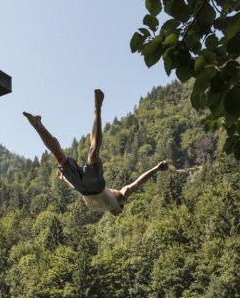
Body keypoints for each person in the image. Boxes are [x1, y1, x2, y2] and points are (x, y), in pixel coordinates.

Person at [24, 89, 168, 215]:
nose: (118, 214)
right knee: (93, 152)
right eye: (120, 212)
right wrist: (156, 169)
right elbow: (138, 183)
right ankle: (97, 107)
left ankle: (37, 125)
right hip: (95, 186)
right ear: (121, 206)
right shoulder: (120, 197)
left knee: (59, 155)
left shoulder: (107, 203)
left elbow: (78, 186)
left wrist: (64, 179)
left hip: (82, 188)